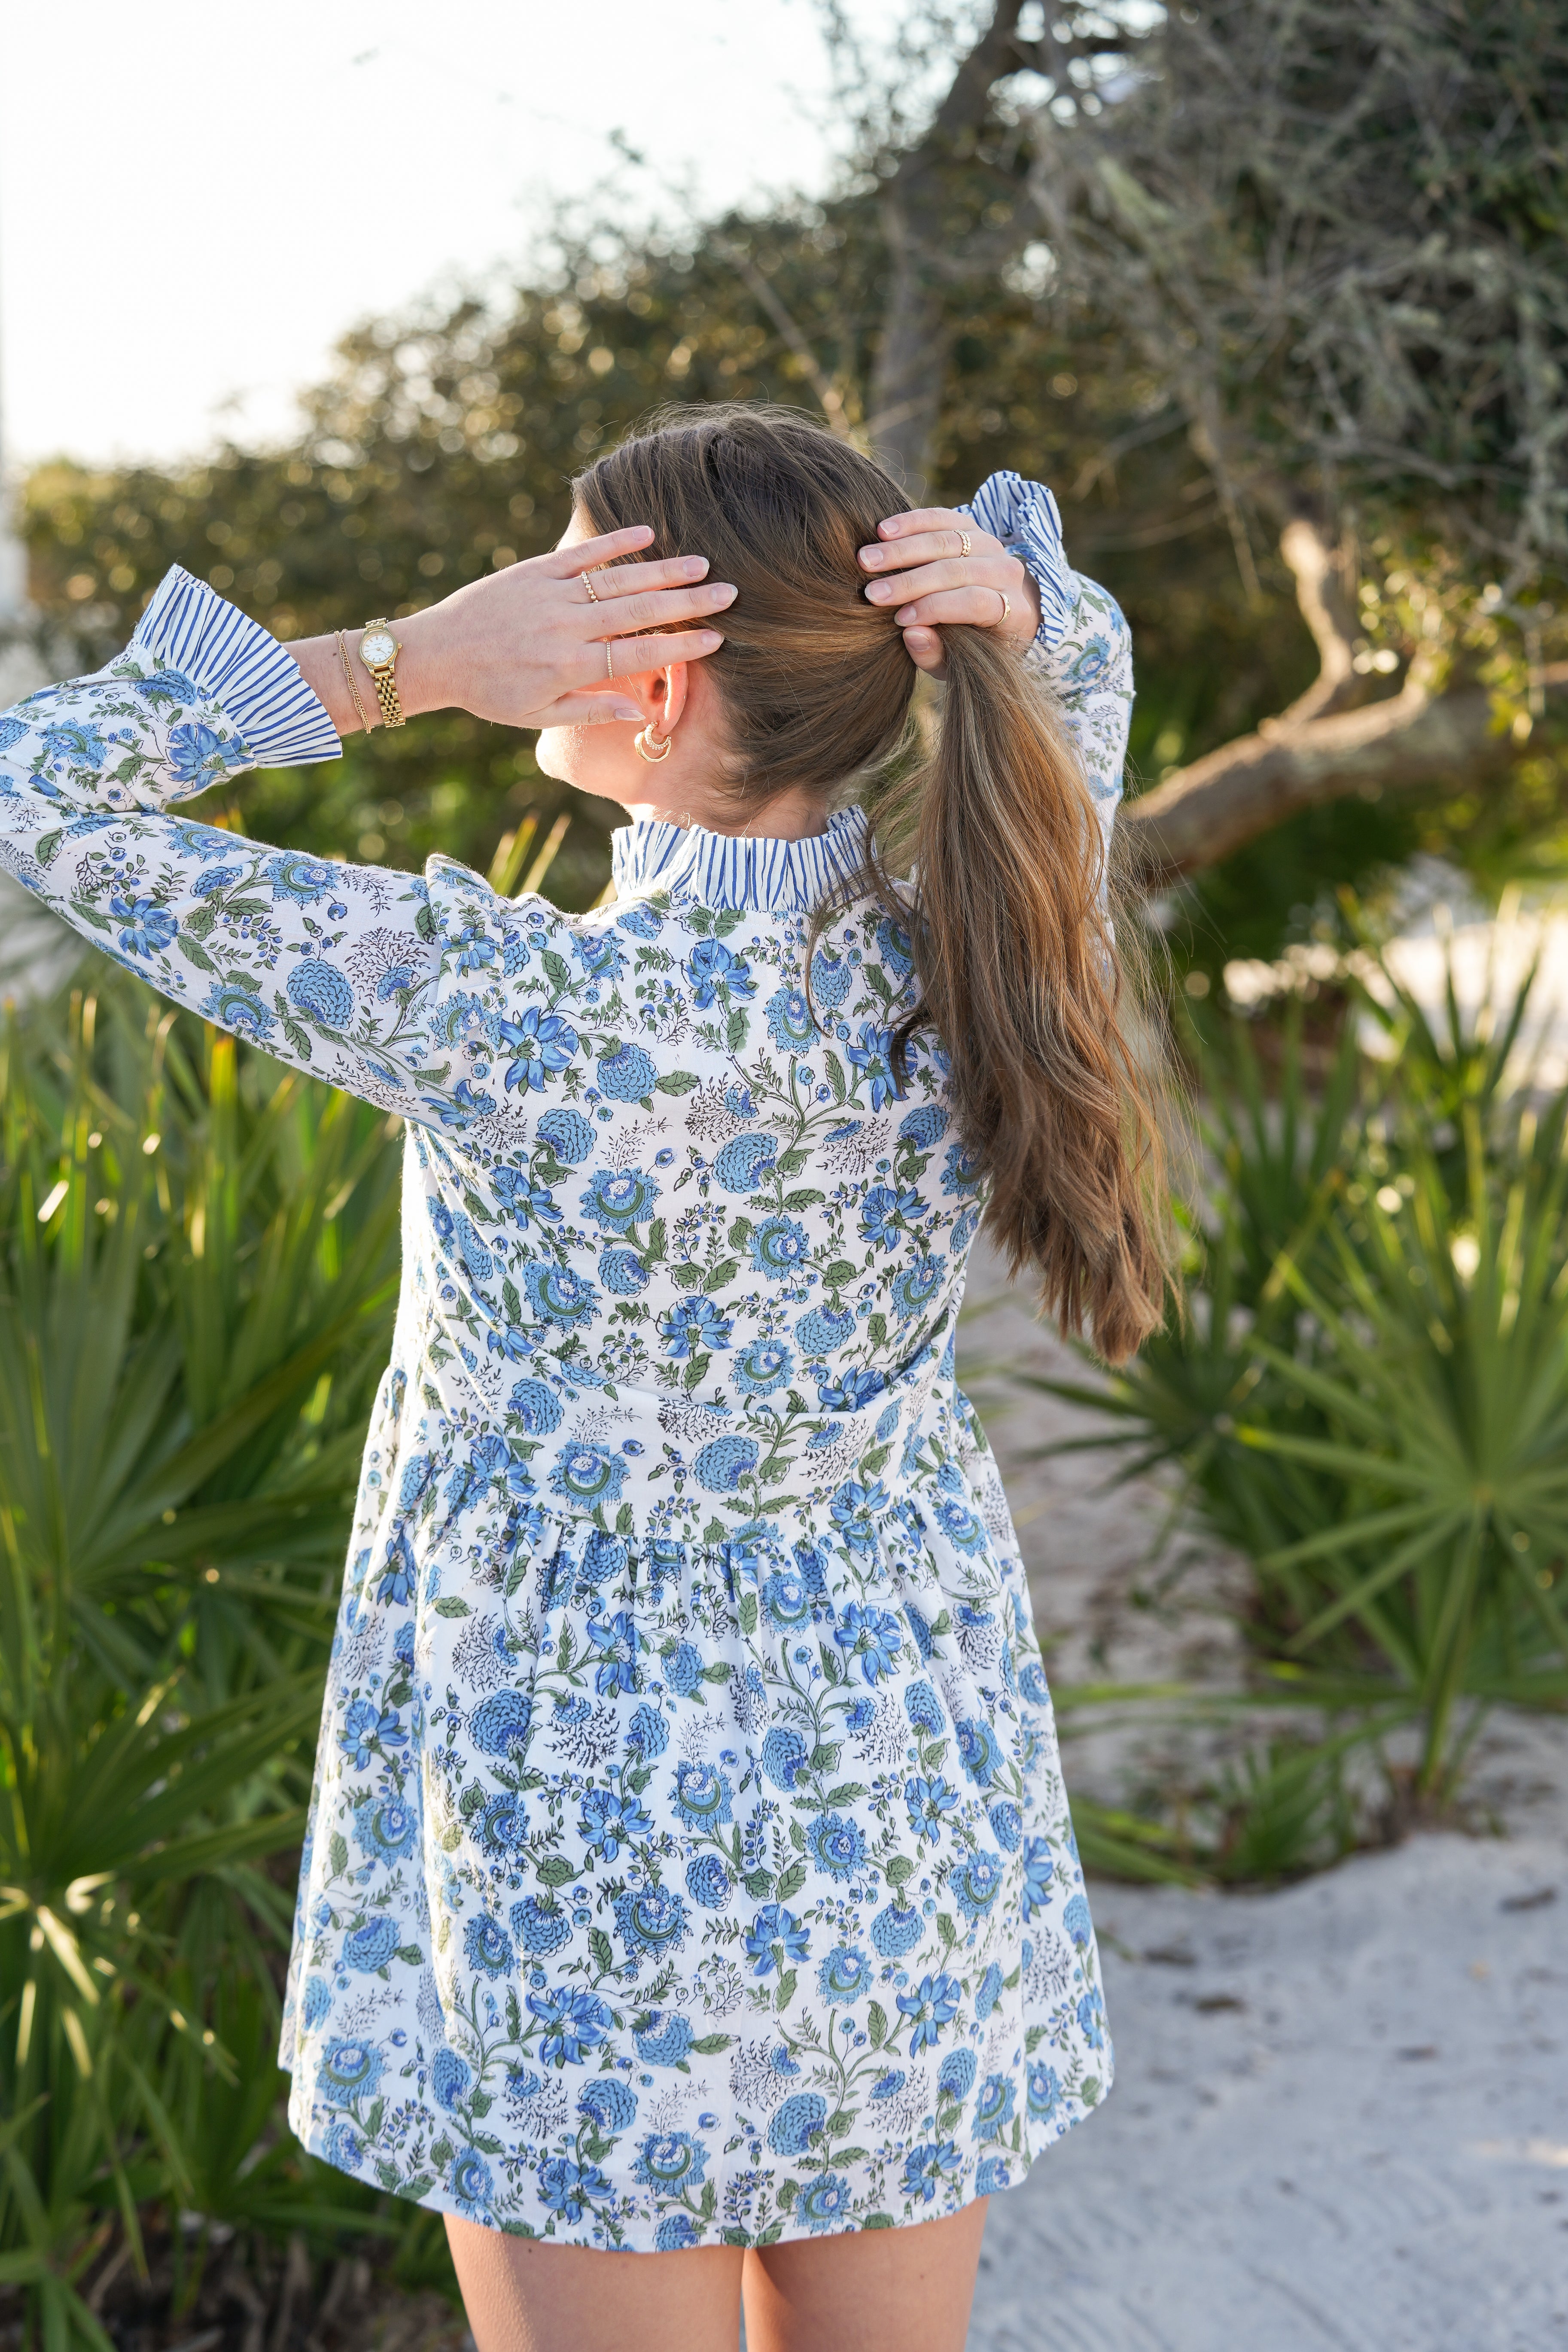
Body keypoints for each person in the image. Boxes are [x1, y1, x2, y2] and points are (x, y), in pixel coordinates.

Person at [0, 404, 1158, 2352]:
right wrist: (1031, 612)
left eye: (559, 576)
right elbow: (1081, 697)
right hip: (896, 1816)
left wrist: (407, 662)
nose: (521, 601)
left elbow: (37, 791)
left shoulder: (505, 1004)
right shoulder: (979, 943)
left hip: (576, 1846)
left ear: (653, 676)